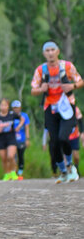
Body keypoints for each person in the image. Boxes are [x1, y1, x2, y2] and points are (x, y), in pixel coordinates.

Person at [31, 41, 83, 184]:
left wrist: (72, 86)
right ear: (44, 53)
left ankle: (70, 166)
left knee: (63, 138)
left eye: (52, 50)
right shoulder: (41, 70)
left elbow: (80, 81)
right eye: (47, 50)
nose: (50, 53)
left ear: (58, 51)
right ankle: (63, 171)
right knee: (53, 143)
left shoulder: (67, 66)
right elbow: (33, 90)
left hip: (67, 106)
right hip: (50, 107)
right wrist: (41, 89)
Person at [0, 98, 21, 181]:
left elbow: (22, 119)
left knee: (10, 156)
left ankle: (13, 172)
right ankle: (7, 173)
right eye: (2, 105)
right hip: (1, 139)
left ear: (8, 106)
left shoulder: (12, 114)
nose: (3, 107)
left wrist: (18, 127)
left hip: (11, 138)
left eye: (5, 105)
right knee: (4, 159)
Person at [11, 100, 30, 179]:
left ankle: (20, 172)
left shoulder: (24, 116)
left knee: (20, 155)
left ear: (20, 108)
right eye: (14, 108)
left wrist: (27, 139)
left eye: (17, 107)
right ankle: (14, 172)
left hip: (21, 139)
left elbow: (27, 128)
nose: (16, 109)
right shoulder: (10, 115)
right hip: (12, 139)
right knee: (13, 156)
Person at [67, 106, 82, 177]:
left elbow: (80, 121)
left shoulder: (76, 109)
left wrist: (82, 133)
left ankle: (76, 168)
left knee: (76, 156)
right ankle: (69, 172)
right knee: (67, 155)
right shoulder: (61, 108)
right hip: (65, 136)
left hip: (75, 136)